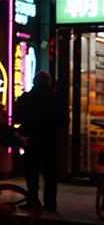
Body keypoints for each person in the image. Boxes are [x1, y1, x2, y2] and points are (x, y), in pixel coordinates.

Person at [13, 71, 68, 213]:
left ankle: (32, 200)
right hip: (50, 140)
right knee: (50, 173)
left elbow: (16, 118)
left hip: (30, 140)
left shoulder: (25, 99)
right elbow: (64, 120)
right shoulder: (57, 100)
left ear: (34, 81)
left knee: (31, 173)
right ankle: (50, 203)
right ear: (48, 83)